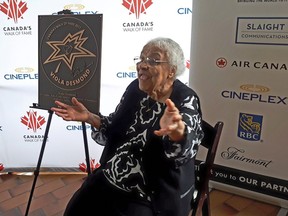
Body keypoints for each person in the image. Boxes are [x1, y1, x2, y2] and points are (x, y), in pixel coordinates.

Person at [51, 37, 204, 216]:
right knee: (75, 209)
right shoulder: (135, 89)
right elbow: (113, 130)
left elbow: (185, 152)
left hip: (150, 192)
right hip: (112, 174)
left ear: (171, 71)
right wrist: (90, 118)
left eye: (153, 60)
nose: (143, 65)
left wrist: (177, 133)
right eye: (141, 58)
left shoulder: (185, 99)